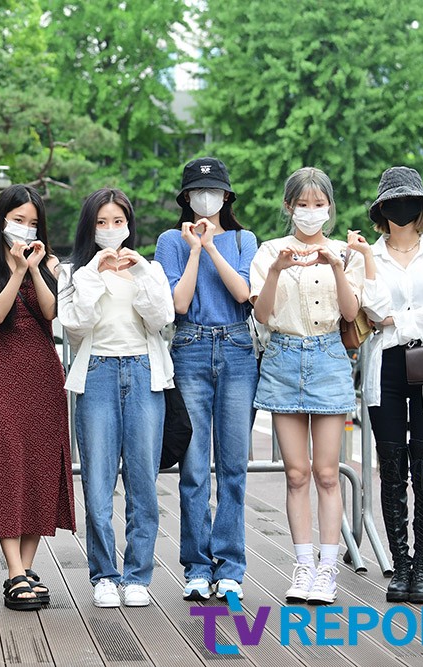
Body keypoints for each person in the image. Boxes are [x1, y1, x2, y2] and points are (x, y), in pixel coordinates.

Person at [250, 167, 363, 605]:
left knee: (328, 473)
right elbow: (262, 314)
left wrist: (336, 266)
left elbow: (350, 312)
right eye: (303, 203)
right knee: (296, 473)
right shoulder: (269, 251)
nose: (311, 211)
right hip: (283, 356)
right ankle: (303, 566)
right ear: (288, 206)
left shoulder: (344, 253)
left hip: (329, 357)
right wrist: (277, 270)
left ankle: (328, 568)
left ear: (330, 207)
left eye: (319, 204)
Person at [58, 187, 174, 608]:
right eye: (102, 222)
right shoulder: (74, 273)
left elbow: (161, 319)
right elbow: (74, 325)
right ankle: (104, 575)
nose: (110, 229)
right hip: (97, 373)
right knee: (98, 481)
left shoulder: (150, 269)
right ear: (90, 226)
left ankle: (138, 575)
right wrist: (94, 270)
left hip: (143, 372)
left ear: (129, 225)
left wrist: (139, 272)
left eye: (118, 221)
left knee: (143, 481)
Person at [154, 157, 258, 602]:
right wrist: (195, 248)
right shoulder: (169, 241)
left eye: (213, 190)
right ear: (186, 197)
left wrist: (212, 246)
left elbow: (244, 294)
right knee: (194, 469)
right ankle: (197, 566)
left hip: (237, 349)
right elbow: (177, 304)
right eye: (198, 191)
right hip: (190, 346)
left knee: (233, 467)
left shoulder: (244, 240)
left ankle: (230, 566)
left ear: (226, 196)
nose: (206, 197)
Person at [355, 166, 423, 604]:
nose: (401, 209)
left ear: (421, 207)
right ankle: (400, 565)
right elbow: (371, 309)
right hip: (386, 368)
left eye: (408, 201)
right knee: (392, 467)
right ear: (381, 210)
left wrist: (397, 321)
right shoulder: (369, 256)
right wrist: (400, 319)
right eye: (392, 202)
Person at [0, 184, 75, 611]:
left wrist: (33, 268)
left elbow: (51, 313)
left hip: (44, 374)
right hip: (4, 374)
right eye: (18, 220)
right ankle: (14, 571)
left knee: (40, 469)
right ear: (1, 221)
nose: (26, 228)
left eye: (33, 222)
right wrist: (16, 270)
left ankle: (24, 570)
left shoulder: (49, 265)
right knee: (8, 467)